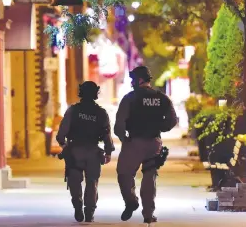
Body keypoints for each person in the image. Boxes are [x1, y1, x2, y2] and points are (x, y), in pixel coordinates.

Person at [114, 66, 178, 224]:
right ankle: (148, 214)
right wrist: (160, 128)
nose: (132, 83)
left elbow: (119, 123)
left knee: (124, 173)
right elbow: (172, 120)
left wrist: (124, 138)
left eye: (133, 79)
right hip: (154, 143)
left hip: (134, 142)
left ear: (140, 79)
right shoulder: (162, 98)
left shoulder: (130, 98)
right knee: (150, 177)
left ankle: (131, 201)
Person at [57, 81, 115, 223]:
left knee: (74, 181)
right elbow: (107, 134)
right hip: (93, 152)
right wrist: (108, 152)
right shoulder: (101, 113)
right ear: (96, 93)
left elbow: (61, 134)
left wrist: (64, 146)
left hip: (75, 151)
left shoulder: (73, 110)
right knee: (92, 182)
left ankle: (77, 206)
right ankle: (89, 211)